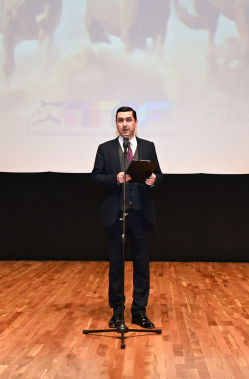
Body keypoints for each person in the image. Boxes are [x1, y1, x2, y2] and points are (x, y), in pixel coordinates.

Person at [90, 106, 164, 330]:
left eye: (128, 120)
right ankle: (117, 312)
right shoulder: (105, 149)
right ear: (116, 124)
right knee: (116, 265)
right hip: (115, 216)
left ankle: (139, 312)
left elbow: (159, 175)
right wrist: (116, 178)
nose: (125, 124)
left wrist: (154, 180)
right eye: (120, 120)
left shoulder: (148, 147)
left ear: (136, 122)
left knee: (141, 265)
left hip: (141, 216)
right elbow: (95, 178)